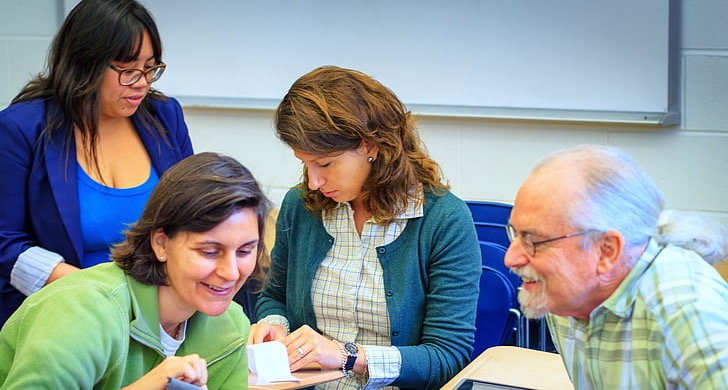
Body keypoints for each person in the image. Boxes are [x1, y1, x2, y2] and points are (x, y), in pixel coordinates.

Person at [249, 65, 481, 389]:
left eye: (325, 163)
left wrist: (349, 357)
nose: (314, 182)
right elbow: (274, 296)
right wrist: (274, 325)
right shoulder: (300, 207)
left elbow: (447, 357)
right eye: (305, 163)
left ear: (371, 146)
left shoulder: (443, 220)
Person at [0, 152, 271, 389]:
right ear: (161, 243)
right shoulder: (84, 311)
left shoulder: (231, 326)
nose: (231, 273)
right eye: (209, 252)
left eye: (245, 251)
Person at [0, 0, 194, 326]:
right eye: (128, 70)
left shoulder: (164, 116)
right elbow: (4, 241)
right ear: (85, 64)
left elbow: (194, 212)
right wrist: (96, 294)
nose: (143, 82)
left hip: (157, 315)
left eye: (151, 68)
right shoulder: (22, 129)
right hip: (63, 315)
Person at [504, 144, 728, 388]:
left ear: (606, 251)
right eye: (515, 234)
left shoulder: (689, 315)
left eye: (533, 240)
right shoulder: (566, 295)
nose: (510, 258)